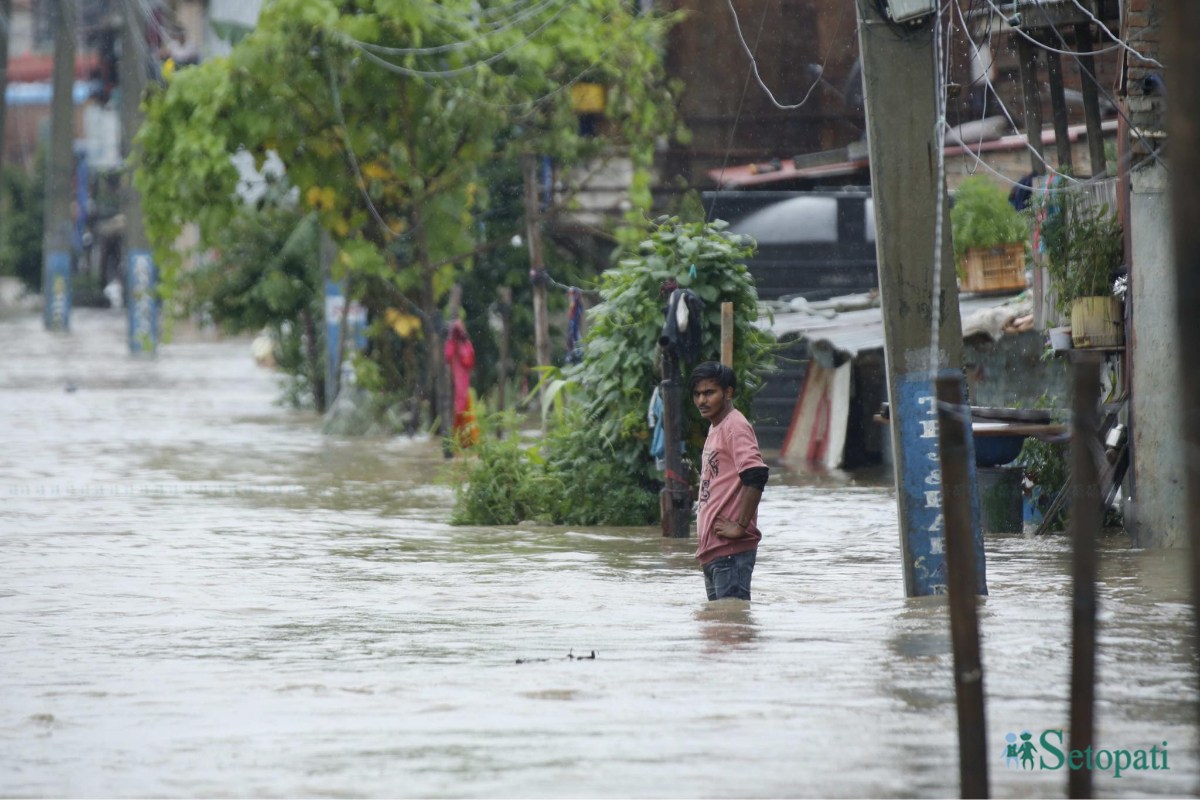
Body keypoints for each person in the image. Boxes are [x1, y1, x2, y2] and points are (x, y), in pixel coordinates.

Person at [690, 362, 769, 601]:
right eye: (697, 394)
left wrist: (740, 526)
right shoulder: (717, 427)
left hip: (731, 554)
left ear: (728, 392)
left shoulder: (735, 426)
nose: (702, 400)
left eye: (709, 393)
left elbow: (756, 473)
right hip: (714, 552)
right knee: (719, 629)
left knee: (731, 630)